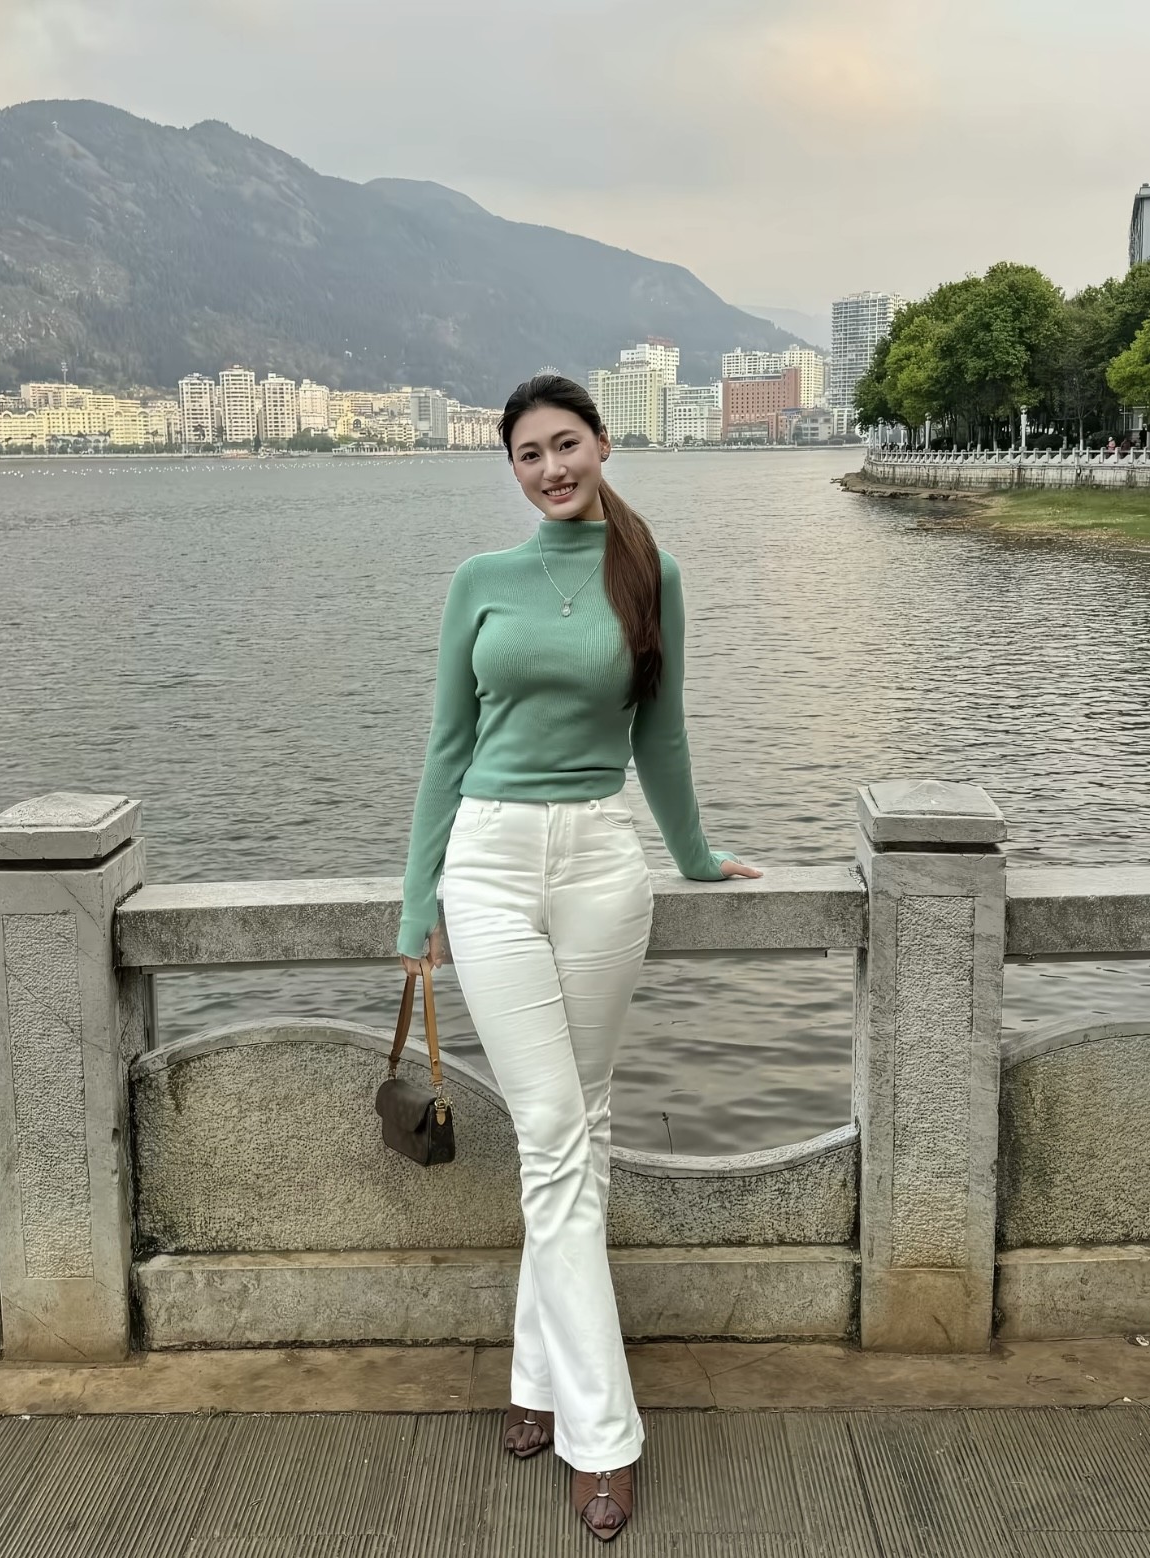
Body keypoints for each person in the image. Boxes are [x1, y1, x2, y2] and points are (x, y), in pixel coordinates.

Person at [397, 374, 762, 1542]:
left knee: (578, 1131)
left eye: (565, 444)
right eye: (527, 454)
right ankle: (602, 1437)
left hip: (603, 862)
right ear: (509, 467)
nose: (550, 468)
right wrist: (416, 904)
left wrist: (694, 854)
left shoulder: (649, 574)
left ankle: (533, 1379)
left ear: (602, 444)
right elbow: (446, 747)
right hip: (489, 867)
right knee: (555, 1130)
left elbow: (661, 732)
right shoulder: (478, 582)